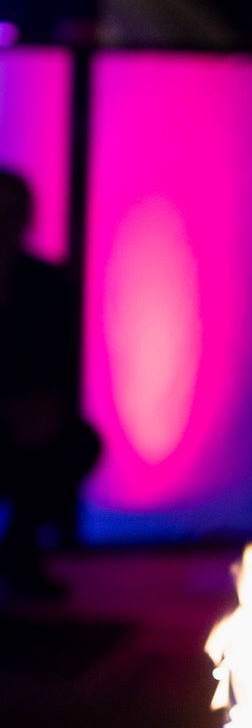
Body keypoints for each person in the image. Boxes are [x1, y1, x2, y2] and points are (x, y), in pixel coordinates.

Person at [0, 169, 100, 597]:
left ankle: (20, 550)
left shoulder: (45, 282)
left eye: (13, 212)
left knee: (74, 444)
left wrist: (45, 409)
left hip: (32, 417)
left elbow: (59, 362)